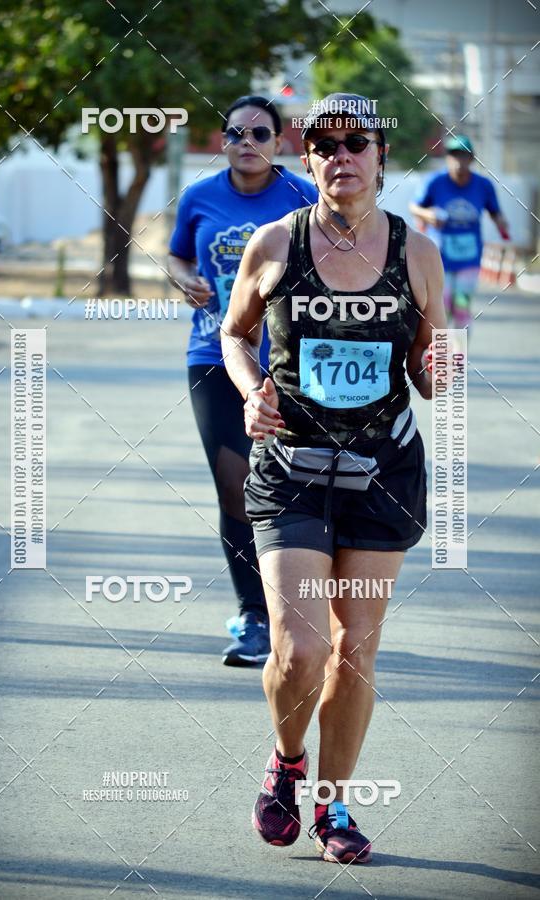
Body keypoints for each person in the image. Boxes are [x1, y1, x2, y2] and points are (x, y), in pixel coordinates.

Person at [221, 92, 446, 863]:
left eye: (357, 143)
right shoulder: (274, 243)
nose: (341, 156)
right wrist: (251, 390)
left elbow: (430, 360)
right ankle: (287, 760)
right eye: (325, 145)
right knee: (301, 651)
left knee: (354, 653)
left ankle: (334, 806)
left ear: (382, 156)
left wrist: (439, 369)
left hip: (381, 474)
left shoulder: (416, 255)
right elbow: (234, 333)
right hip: (291, 468)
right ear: (308, 158)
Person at [168, 95, 318, 666]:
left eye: (259, 133)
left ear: (279, 143)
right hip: (214, 353)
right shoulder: (199, 196)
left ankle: (304, 609)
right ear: (223, 142)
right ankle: (254, 615)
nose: (246, 142)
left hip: (291, 360)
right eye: (235, 133)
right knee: (235, 485)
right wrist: (183, 279)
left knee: (301, 484)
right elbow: (179, 255)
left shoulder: (303, 196)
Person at [410, 134, 510, 329]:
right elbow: (414, 207)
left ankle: (459, 348)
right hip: (440, 258)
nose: (458, 160)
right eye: (454, 155)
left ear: (471, 158)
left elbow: (495, 212)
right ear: (447, 157)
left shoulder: (483, 185)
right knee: (442, 308)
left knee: (462, 307)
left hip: (469, 258)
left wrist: (501, 223)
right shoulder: (435, 182)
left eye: (463, 155)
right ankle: (442, 348)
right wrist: (428, 215)